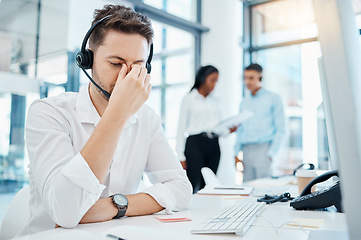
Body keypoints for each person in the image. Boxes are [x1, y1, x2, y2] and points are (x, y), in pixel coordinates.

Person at [19, 5, 192, 236]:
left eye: (138, 66)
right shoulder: (49, 113)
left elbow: (181, 189)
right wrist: (118, 113)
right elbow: (66, 212)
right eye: (116, 63)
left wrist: (116, 206)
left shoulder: (147, 117)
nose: (127, 77)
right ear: (87, 59)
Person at [176, 65, 237, 193]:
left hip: (214, 144)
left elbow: (218, 127)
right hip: (195, 144)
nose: (215, 84)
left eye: (217, 81)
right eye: (212, 80)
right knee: (193, 182)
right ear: (203, 78)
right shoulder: (189, 99)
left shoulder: (216, 101)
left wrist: (228, 131)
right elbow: (181, 128)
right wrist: (180, 155)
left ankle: (207, 212)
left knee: (210, 184)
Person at [234, 63, 286, 182]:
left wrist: (271, 153)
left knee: (265, 189)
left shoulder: (274, 98)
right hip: (246, 151)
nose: (247, 81)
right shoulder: (244, 102)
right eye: (245, 78)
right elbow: (240, 129)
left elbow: (281, 128)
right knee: (248, 188)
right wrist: (236, 152)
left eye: (251, 78)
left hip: (264, 149)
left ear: (260, 77)